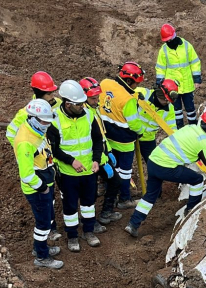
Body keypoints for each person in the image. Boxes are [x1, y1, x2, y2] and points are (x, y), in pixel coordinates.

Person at [124, 109, 206, 238]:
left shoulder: (191, 128)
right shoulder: (204, 142)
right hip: (166, 166)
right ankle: (191, 209)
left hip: (153, 161)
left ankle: (133, 224)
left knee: (150, 195)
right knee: (196, 179)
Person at [47, 80, 103, 252]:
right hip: (68, 173)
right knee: (70, 207)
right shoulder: (54, 120)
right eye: (79, 104)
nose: (82, 106)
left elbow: (97, 140)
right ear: (68, 103)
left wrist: (96, 160)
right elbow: (53, 149)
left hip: (88, 170)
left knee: (88, 203)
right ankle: (72, 236)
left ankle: (88, 231)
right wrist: (71, 161)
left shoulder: (89, 115)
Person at [12, 98, 63, 270]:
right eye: (44, 121)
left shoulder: (35, 131)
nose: (47, 124)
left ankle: (39, 248)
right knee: (43, 224)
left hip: (43, 184)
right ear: (33, 118)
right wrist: (43, 187)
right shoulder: (26, 141)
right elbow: (26, 175)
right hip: (37, 189)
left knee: (46, 220)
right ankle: (42, 257)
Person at [98, 62, 146, 218]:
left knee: (110, 166)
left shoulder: (105, 83)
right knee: (125, 172)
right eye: (137, 82)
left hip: (106, 136)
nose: (138, 85)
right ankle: (124, 198)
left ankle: (107, 188)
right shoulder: (128, 100)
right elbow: (134, 124)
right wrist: (142, 131)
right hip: (124, 141)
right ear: (130, 81)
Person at [79, 77, 118, 233]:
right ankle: (89, 221)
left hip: (100, 155)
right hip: (90, 160)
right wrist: (103, 161)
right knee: (90, 192)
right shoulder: (85, 113)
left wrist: (108, 151)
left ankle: (105, 213)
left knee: (115, 182)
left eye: (97, 97)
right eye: (93, 98)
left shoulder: (93, 109)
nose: (96, 100)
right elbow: (90, 141)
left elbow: (100, 135)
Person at [156, 24, 201, 129]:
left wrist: (197, 79)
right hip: (171, 86)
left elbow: (195, 62)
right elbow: (160, 67)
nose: (169, 42)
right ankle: (178, 129)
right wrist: (160, 82)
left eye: (170, 39)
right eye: (167, 41)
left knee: (190, 109)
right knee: (176, 110)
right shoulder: (164, 50)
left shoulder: (186, 46)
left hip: (187, 84)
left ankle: (193, 128)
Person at [6, 71, 59, 147]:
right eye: (48, 94)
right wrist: (27, 150)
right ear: (39, 93)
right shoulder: (26, 113)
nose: (52, 97)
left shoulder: (58, 104)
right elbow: (11, 134)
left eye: (52, 93)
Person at [134, 79, 178, 170]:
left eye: (169, 101)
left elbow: (172, 129)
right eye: (166, 100)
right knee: (125, 162)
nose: (167, 102)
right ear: (160, 94)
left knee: (154, 164)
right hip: (130, 133)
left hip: (147, 139)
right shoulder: (142, 93)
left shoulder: (170, 110)